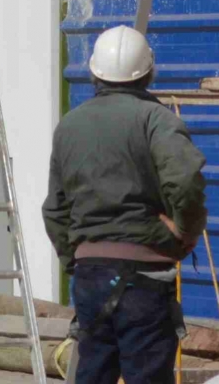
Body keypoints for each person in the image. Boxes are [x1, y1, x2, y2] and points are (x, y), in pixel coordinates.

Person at [44, 24, 207, 384]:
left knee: (93, 373)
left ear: (93, 72)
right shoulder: (157, 120)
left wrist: (79, 261)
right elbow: (185, 180)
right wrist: (185, 232)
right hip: (145, 281)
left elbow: (55, 210)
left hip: (91, 278)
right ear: (149, 71)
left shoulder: (69, 126)